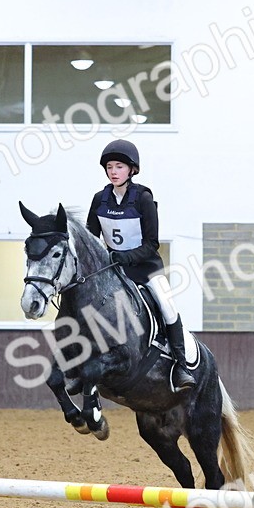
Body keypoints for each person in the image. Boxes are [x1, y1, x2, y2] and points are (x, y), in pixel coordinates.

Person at [86, 139, 195, 391]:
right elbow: (91, 238)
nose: (113, 171)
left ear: (132, 170)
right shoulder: (99, 199)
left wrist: (126, 256)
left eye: (119, 167)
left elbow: (152, 243)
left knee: (167, 307)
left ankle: (181, 366)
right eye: (110, 167)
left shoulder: (143, 198)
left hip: (145, 269)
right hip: (113, 272)